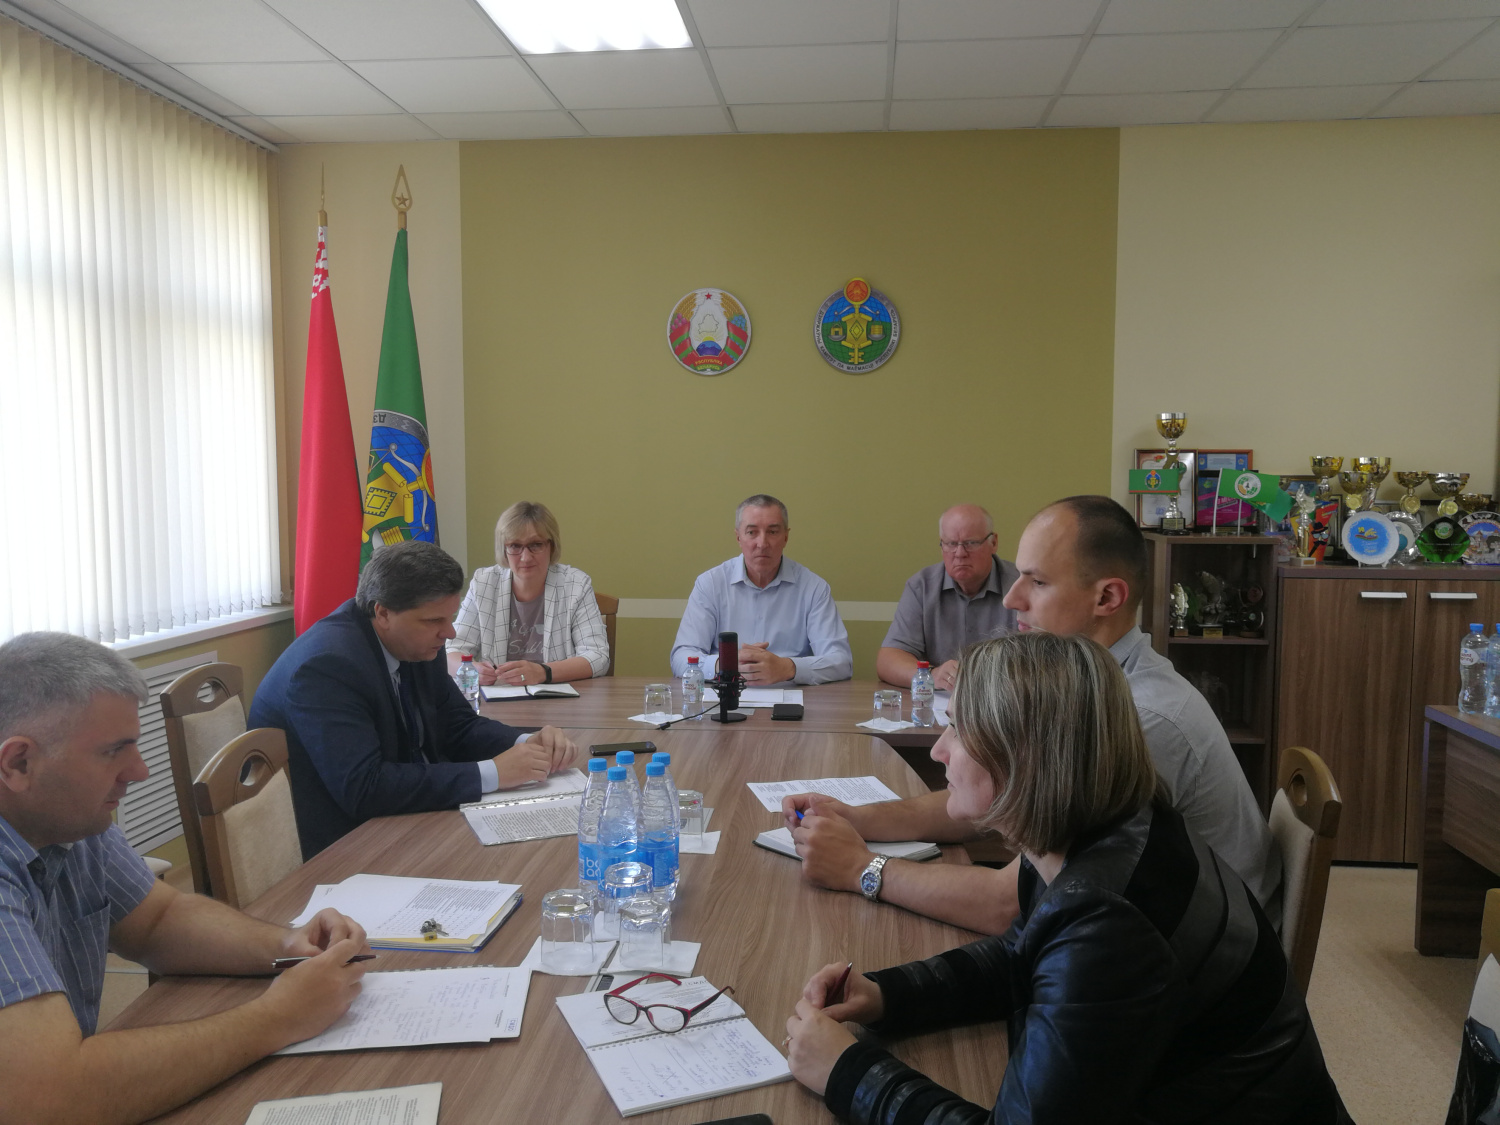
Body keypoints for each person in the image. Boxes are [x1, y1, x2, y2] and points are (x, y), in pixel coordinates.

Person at [784, 632, 1349, 1125]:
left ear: (1023, 755)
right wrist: (888, 995)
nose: (939, 750)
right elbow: (1024, 953)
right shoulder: (1108, 828)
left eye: (956, 728)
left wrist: (845, 1070)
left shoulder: (1109, 922)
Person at [783, 495, 1283, 934]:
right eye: (1019, 574)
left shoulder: (1139, 719)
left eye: (1038, 581)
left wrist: (860, 869)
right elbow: (997, 798)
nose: (1011, 598)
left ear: (1107, 597)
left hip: (1199, 964)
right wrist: (857, 818)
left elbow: (1015, 905)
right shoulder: (1084, 687)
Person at [0, 632, 371, 1125]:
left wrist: (287, 944)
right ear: (18, 763)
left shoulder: (71, 821)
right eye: (113, 752)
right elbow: (50, 1098)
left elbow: (159, 918)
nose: (139, 771)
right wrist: (277, 1017)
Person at [251, 540, 578, 858]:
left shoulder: (414, 641)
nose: (449, 633)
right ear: (383, 613)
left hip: (401, 817)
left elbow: (457, 725)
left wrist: (526, 742)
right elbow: (364, 788)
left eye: (450, 617)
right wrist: (492, 773)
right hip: (339, 845)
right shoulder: (327, 666)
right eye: (435, 620)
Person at [670, 494, 852, 686]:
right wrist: (725, 664)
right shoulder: (710, 584)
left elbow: (841, 662)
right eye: (752, 532)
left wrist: (788, 667)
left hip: (791, 697)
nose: (762, 543)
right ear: (738, 537)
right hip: (724, 696)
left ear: (786, 537)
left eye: (772, 532)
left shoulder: (814, 588)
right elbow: (681, 658)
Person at [446, 501, 611, 686]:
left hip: (558, 696)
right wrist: (472, 670)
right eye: (515, 546)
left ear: (552, 546)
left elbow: (598, 657)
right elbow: (451, 650)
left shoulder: (576, 585)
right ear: (504, 549)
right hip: (499, 695)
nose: (525, 557)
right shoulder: (483, 583)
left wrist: (543, 672)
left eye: (536, 544)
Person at [876, 504, 1019, 691]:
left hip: (1005, 698)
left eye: (971, 543)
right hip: (942, 703)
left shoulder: (1021, 586)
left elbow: (1042, 661)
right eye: (951, 544)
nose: (960, 554)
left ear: (993, 543)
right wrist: (931, 676)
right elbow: (888, 660)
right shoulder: (922, 587)